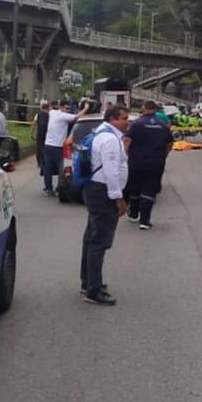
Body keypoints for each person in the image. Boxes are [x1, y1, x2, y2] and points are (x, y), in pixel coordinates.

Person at [79, 105, 129, 305]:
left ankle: (88, 281)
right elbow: (111, 172)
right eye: (124, 118)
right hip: (103, 193)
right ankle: (94, 290)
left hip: (95, 189)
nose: (127, 121)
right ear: (112, 119)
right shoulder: (110, 139)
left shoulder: (101, 132)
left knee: (91, 237)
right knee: (99, 241)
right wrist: (118, 199)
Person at [124, 101, 174, 229]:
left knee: (135, 188)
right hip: (156, 162)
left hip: (136, 162)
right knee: (149, 190)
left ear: (144, 108)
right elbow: (169, 143)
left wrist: (124, 156)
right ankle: (144, 221)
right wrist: (164, 155)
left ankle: (133, 214)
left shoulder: (136, 124)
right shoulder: (163, 125)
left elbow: (127, 141)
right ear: (156, 110)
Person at [42, 99, 91, 196]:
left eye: (69, 108)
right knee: (61, 168)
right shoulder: (63, 116)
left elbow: (50, 109)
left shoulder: (52, 113)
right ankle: (59, 189)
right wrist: (86, 108)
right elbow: (77, 117)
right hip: (57, 146)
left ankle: (48, 188)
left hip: (48, 145)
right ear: (61, 107)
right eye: (66, 108)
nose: (68, 110)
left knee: (48, 168)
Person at [31, 99, 50, 172]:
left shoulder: (37, 115)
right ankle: (45, 162)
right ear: (47, 109)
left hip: (39, 134)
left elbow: (34, 124)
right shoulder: (49, 115)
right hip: (47, 135)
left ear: (42, 108)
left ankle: (39, 163)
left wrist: (32, 133)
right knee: (45, 148)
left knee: (39, 148)